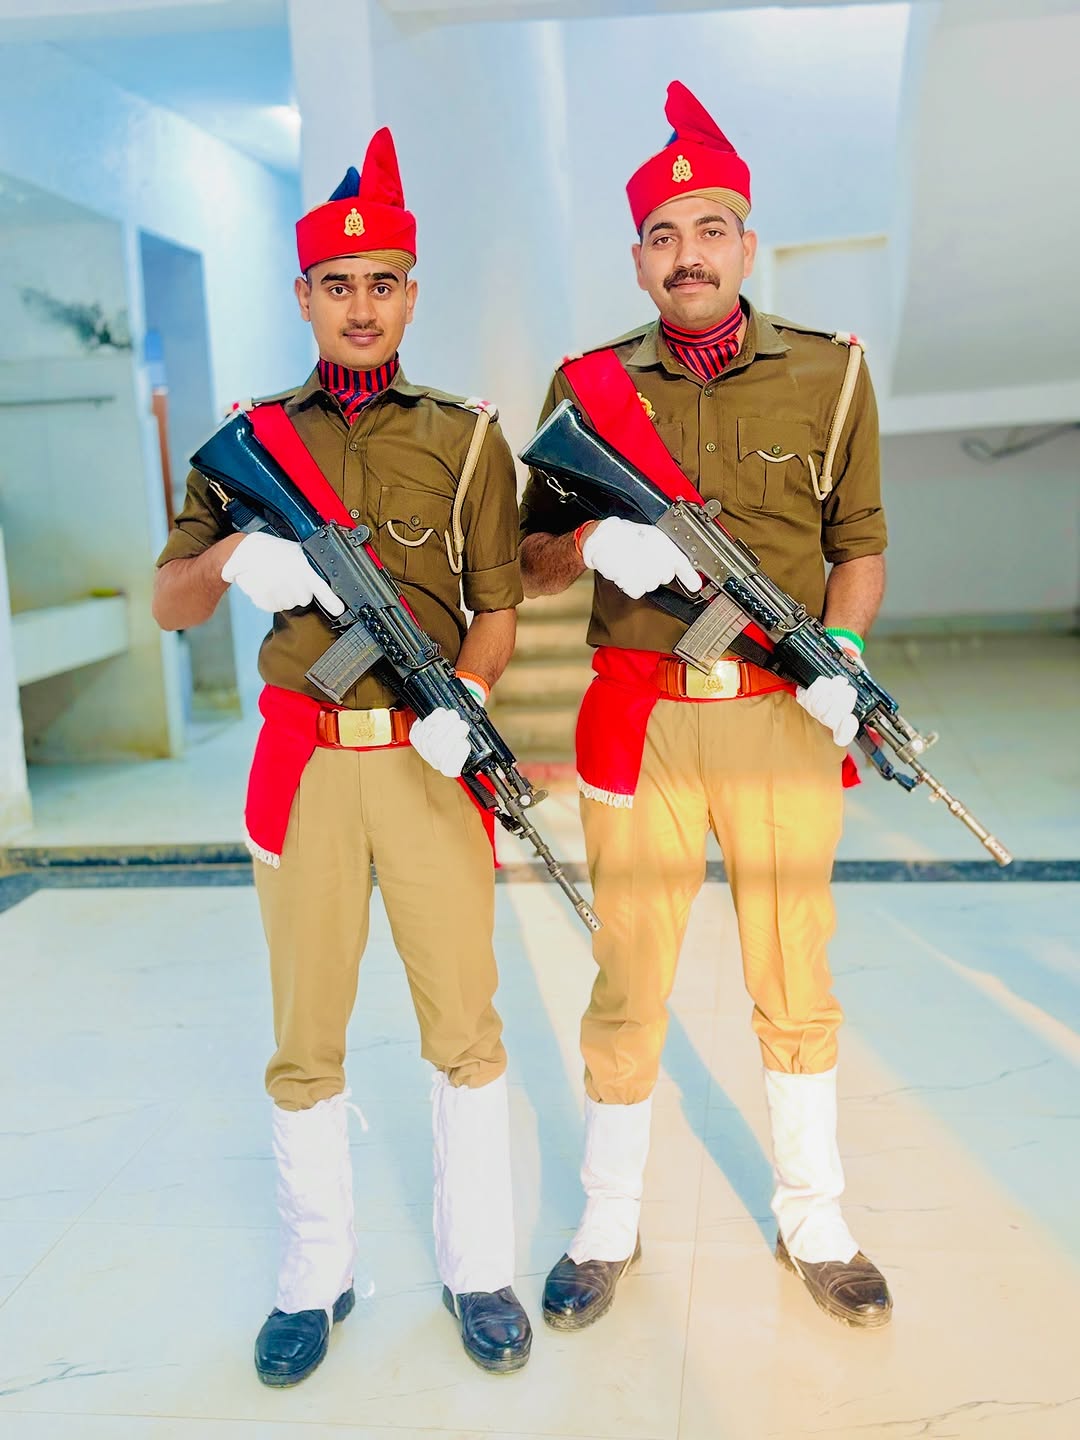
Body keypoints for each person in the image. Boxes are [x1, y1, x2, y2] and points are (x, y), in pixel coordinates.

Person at [153, 126, 532, 1383]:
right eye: (336, 284)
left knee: (464, 1024)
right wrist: (230, 559)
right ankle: (313, 1279)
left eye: (383, 283)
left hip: (428, 763)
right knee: (306, 1030)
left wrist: (467, 693)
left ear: (412, 294)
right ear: (302, 294)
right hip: (305, 766)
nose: (361, 306)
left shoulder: (468, 439)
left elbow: (497, 608)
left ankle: (479, 1269)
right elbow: (167, 604)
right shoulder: (250, 439)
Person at [518, 81, 892, 1332]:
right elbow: (526, 560)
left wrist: (843, 650)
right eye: (666, 236)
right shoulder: (583, 386)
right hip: (642, 717)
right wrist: (593, 543)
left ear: (747, 243)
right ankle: (607, 1218)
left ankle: (814, 1216)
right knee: (630, 969)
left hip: (780, 714)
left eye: (712, 229)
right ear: (639, 258)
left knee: (793, 964)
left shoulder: (832, 373)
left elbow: (859, 543)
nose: (691, 254)